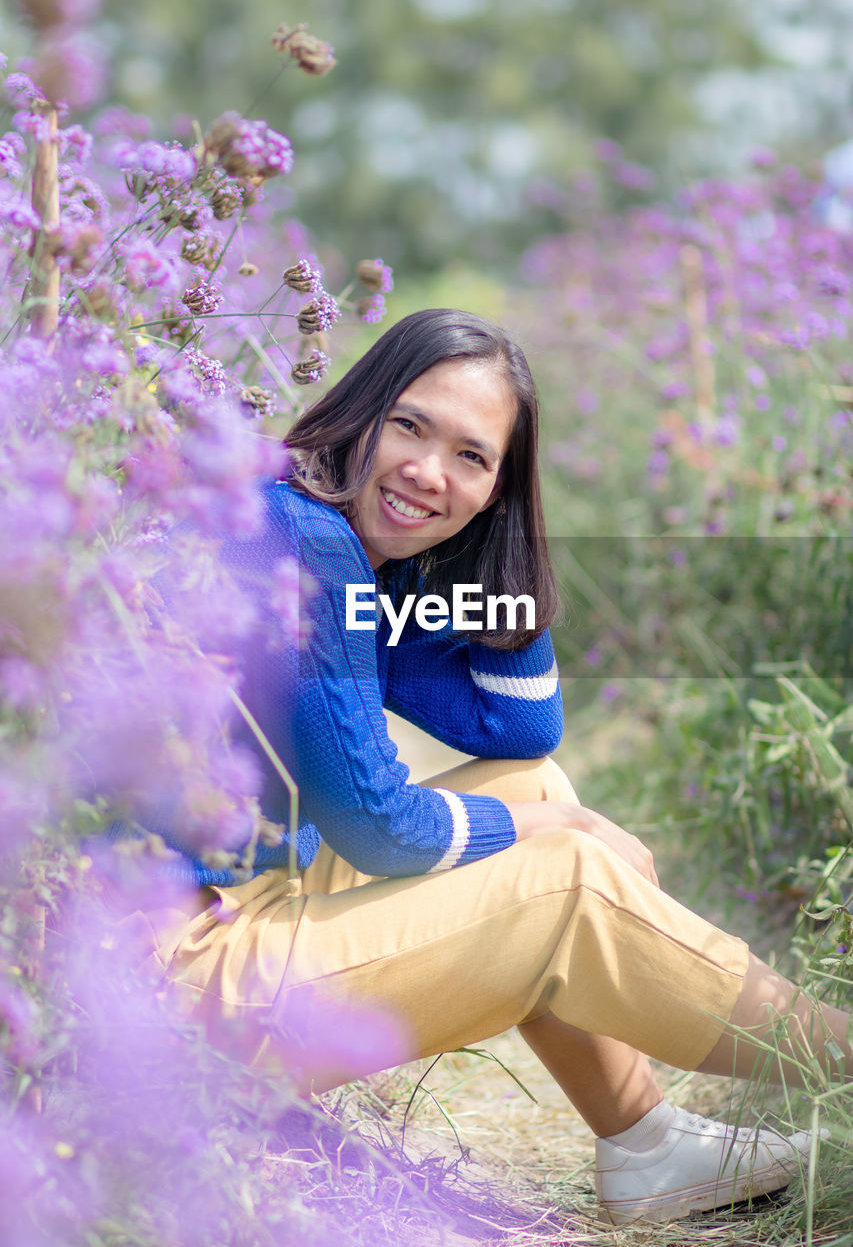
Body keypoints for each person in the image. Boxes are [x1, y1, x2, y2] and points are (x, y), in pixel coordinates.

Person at [149, 309, 851, 1226]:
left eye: (472, 460)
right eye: (409, 425)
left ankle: (646, 1146)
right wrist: (548, 834)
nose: (426, 472)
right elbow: (375, 823)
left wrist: (497, 548)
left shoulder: (326, 536)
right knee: (561, 875)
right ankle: (837, 1054)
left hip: (232, 904)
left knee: (530, 791)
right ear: (360, 411)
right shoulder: (304, 547)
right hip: (161, 988)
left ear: (497, 492)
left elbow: (517, 729)